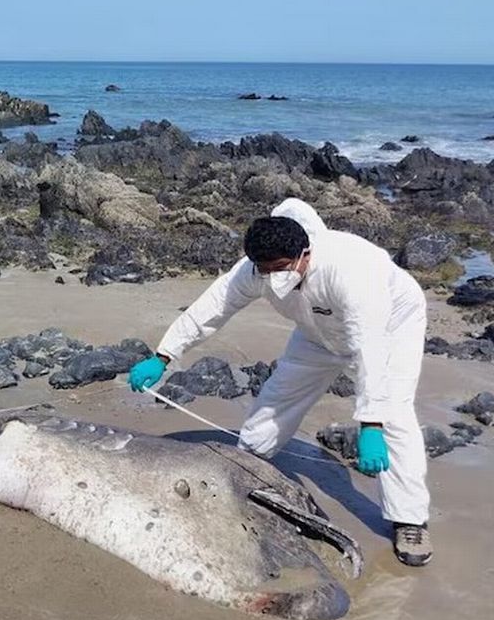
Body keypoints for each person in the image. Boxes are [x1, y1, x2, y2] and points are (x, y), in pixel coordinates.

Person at [127, 198, 432, 567]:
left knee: (395, 416)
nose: (273, 278)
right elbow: (210, 309)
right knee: (274, 400)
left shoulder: (352, 270)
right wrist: (163, 356)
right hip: (316, 334)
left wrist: (370, 424)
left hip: (390, 328)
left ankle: (410, 520)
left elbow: (370, 347)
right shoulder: (254, 272)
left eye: (281, 268)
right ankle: (248, 467)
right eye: (264, 270)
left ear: (305, 253)